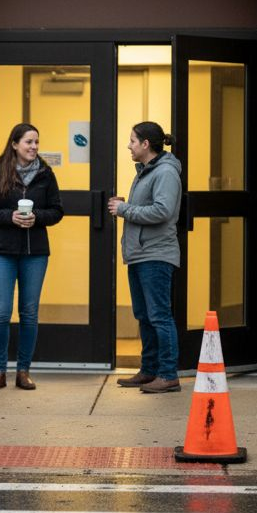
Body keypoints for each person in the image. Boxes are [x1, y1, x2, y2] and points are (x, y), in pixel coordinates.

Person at [0, 123, 64, 391]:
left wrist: (38, 218)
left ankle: (23, 371)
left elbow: (57, 211)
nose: (34, 147)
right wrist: (9, 217)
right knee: (1, 313)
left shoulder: (46, 175)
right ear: (14, 144)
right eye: (28, 142)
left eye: (37, 142)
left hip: (34, 253)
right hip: (0, 252)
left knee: (29, 313)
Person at [109, 121, 183, 393]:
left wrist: (125, 209)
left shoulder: (165, 172)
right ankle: (149, 370)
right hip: (140, 255)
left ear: (145, 144)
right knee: (144, 315)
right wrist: (127, 207)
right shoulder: (145, 171)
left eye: (132, 140)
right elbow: (147, 207)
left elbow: (162, 211)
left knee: (159, 316)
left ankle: (168, 374)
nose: (128, 145)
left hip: (156, 255)